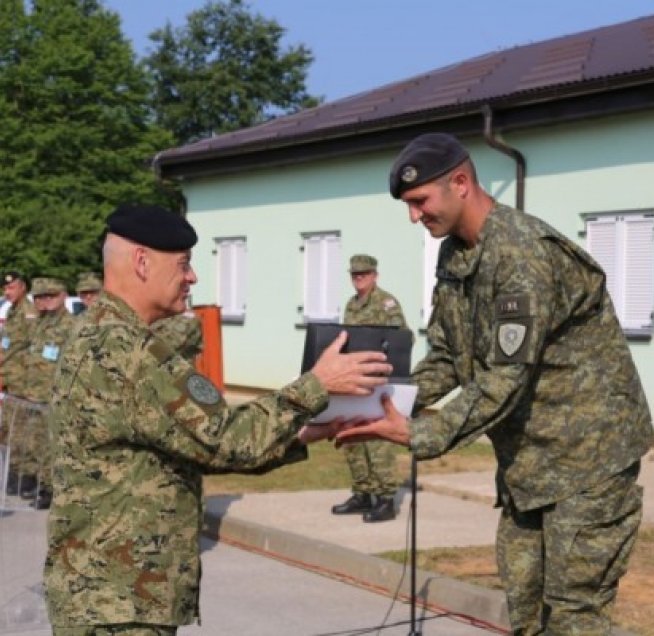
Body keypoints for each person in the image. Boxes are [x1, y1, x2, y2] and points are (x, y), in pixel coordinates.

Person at [337, 133, 654, 634]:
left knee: (575, 616)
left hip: (588, 460)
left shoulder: (522, 254)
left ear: (461, 183)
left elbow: (505, 376)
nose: (413, 217)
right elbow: (448, 354)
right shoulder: (457, 255)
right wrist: (387, 399)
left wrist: (421, 434)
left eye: (419, 202)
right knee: (526, 610)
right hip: (528, 464)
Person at [43, 204, 393, 635]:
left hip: (106, 595)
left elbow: (196, 442)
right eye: (184, 265)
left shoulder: (99, 334)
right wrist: (317, 385)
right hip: (118, 603)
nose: (193, 278)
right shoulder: (127, 352)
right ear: (141, 262)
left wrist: (308, 430)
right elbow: (225, 439)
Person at [331, 254, 407, 523]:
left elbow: (399, 340)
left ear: (375, 275)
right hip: (354, 378)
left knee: (377, 439)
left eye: (364, 274)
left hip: (377, 379)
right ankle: (363, 493)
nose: (359, 279)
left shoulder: (386, 303)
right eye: (355, 275)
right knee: (354, 434)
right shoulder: (351, 305)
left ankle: (385, 498)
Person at [18, 277, 77, 509]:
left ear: (63, 295)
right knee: (37, 443)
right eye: (39, 297)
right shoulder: (41, 324)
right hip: (35, 395)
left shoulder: (70, 325)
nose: (44, 301)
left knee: (53, 446)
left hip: (55, 397)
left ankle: (52, 490)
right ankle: (42, 485)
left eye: (49, 296)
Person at [0, 271, 38, 395]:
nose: (7, 292)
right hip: (8, 374)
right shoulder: (11, 310)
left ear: (23, 288)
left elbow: (35, 345)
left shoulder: (29, 311)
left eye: (11, 288)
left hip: (21, 377)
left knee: (20, 413)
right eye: (4, 289)